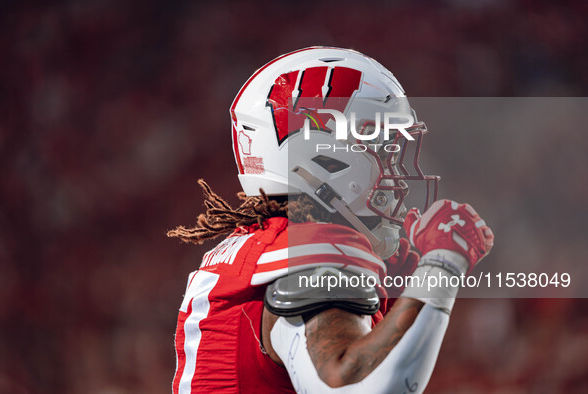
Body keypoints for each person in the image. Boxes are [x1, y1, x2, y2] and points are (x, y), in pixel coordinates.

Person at [168, 47, 494, 394]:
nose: (397, 174)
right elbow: (358, 387)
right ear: (324, 154)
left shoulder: (258, 244)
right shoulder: (314, 252)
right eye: (384, 148)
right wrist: (443, 266)